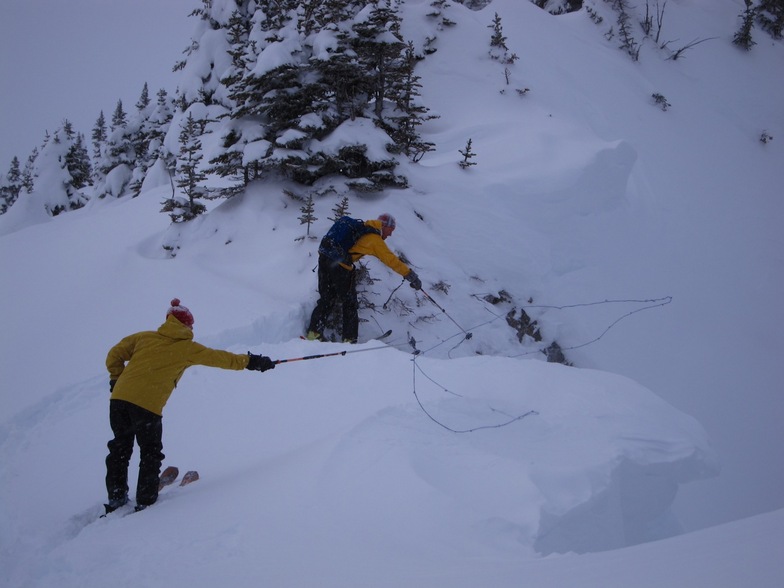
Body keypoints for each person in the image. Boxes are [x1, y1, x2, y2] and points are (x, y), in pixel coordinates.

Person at [103, 298, 275, 514]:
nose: (192, 328)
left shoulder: (143, 338)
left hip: (119, 400)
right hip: (147, 405)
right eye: (191, 324)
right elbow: (220, 358)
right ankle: (146, 500)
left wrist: (115, 378)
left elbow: (114, 354)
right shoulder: (186, 348)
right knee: (150, 452)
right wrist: (252, 362)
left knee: (120, 447)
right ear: (185, 325)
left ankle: (116, 497)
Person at [306, 213, 422, 343]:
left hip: (324, 259)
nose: (390, 234)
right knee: (349, 303)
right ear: (384, 226)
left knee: (326, 298)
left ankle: (314, 333)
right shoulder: (374, 239)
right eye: (391, 230)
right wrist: (409, 274)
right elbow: (391, 260)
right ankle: (349, 340)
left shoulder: (361, 228)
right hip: (340, 266)